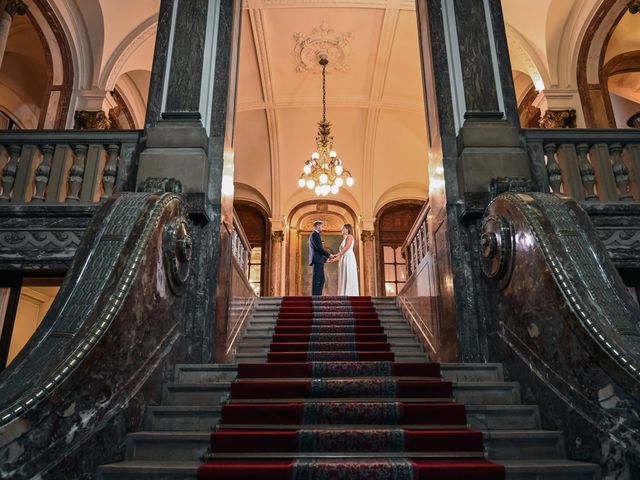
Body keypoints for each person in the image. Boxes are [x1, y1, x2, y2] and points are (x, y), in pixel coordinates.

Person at [328, 223, 359, 296]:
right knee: (343, 276)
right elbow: (342, 253)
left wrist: (336, 254)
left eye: (344, 228)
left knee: (348, 274)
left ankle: (349, 294)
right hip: (343, 258)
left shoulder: (350, 236)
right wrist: (333, 260)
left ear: (348, 229)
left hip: (348, 258)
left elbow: (346, 248)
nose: (342, 229)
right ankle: (343, 294)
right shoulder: (344, 239)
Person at [309, 220, 331, 295]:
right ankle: (315, 298)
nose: (322, 228)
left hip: (319, 261)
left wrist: (325, 260)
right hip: (317, 261)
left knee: (321, 279)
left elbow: (318, 250)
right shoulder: (314, 234)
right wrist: (329, 255)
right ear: (317, 226)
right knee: (317, 280)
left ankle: (318, 296)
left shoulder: (316, 234)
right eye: (322, 226)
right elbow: (319, 248)